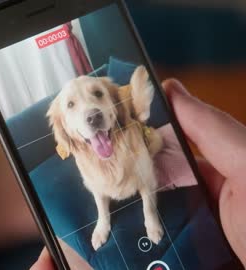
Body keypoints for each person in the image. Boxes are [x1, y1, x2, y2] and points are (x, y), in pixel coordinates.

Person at [30, 79, 246, 269]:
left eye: (97, 94)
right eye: (71, 105)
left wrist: (150, 218)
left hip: (138, 152)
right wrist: (103, 222)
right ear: (63, 127)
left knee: (146, 176)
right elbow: (97, 190)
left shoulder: (124, 120)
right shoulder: (75, 148)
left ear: (115, 105)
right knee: (98, 188)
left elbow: (147, 182)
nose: (91, 112)